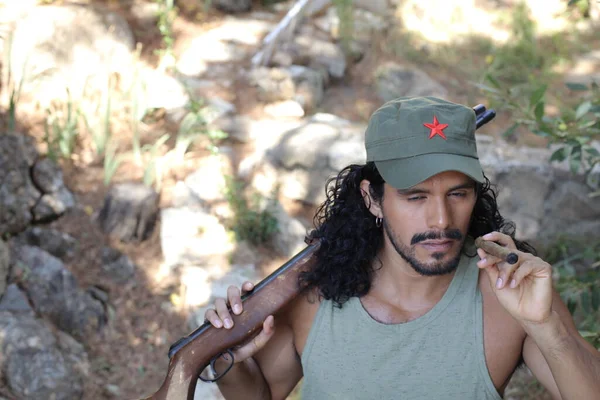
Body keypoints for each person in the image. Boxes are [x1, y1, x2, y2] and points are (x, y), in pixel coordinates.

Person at [204, 97, 600, 399]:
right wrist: (227, 356)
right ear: (372, 199)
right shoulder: (313, 296)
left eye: (458, 194)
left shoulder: (508, 296)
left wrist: (547, 327)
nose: (441, 220)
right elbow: (261, 395)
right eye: (415, 197)